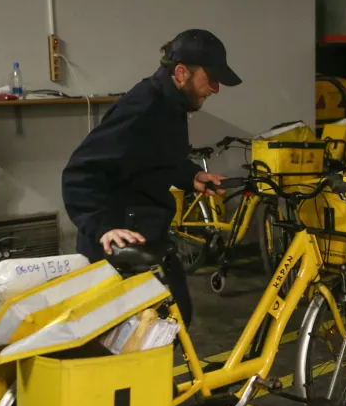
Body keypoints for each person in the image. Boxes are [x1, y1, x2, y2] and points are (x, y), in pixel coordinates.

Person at [61, 29, 242, 326]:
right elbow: (80, 171)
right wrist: (102, 227)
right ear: (182, 72)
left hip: (146, 230)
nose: (215, 89)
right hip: (119, 242)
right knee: (133, 340)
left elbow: (153, 155)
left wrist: (191, 175)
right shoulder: (143, 107)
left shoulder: (171, 104)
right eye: (210, 79)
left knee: (174, 321)